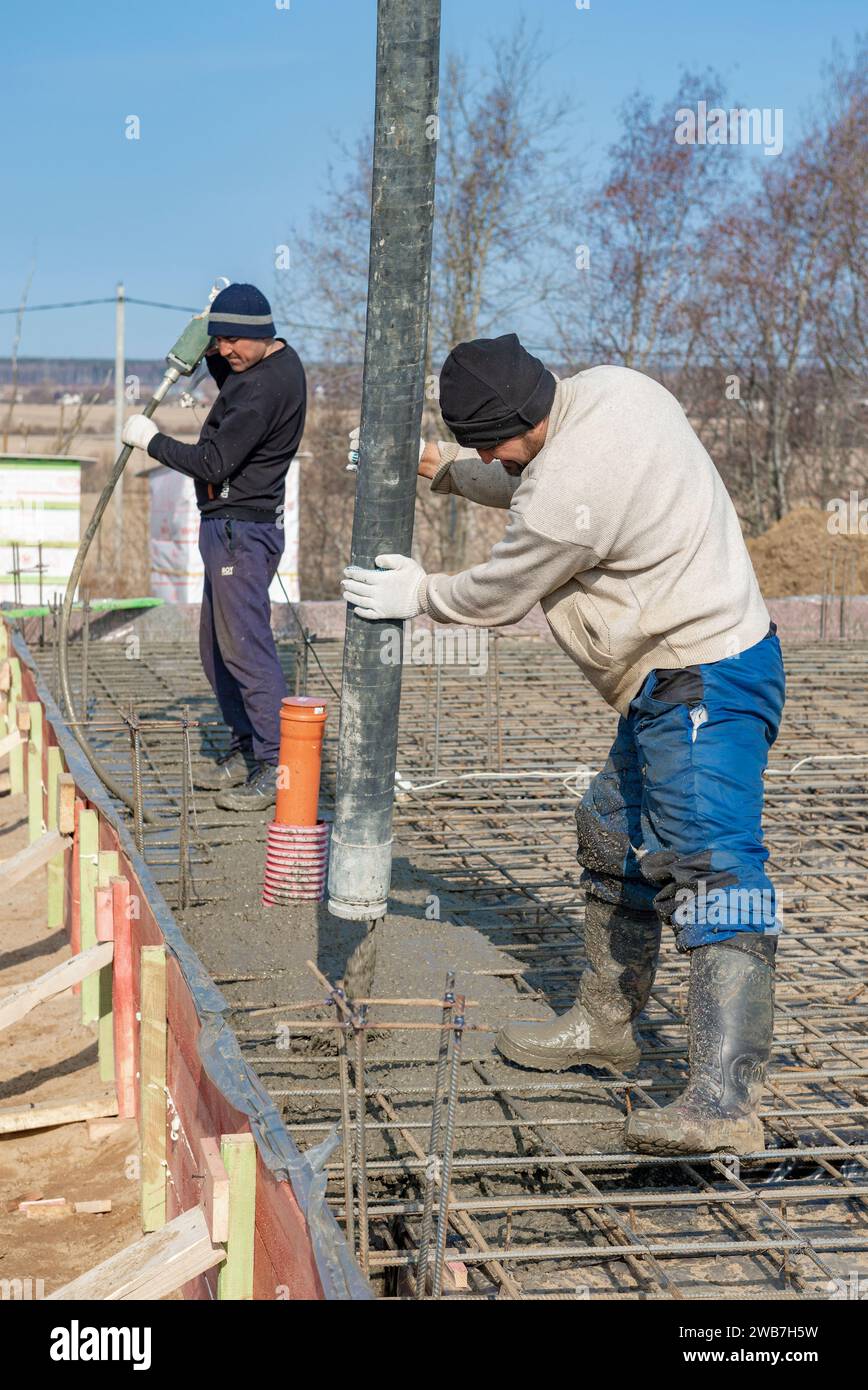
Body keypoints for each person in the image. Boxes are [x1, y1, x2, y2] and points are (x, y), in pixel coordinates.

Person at [341, 333, 785, 1157]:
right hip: (678, 670)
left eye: (488, 447)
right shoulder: (609, 390)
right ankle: (607, 1026)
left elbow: (506, 586)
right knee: (611, 833)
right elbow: (531, 479)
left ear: (518, 422)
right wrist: (443, 469)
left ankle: (726, 1102)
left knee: (716, 868)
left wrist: (423, 594)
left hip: (703, 678)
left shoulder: (568, 484)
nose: (490, 460)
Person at [123, 283, 306, 811]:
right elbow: (234, 376)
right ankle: (244, 748)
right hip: (230, 528)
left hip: (240, 534)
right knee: (218, 648)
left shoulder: (263, 391)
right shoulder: (269, 365)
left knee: (247, 650)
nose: (224, 351)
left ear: (258, 336)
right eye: (219, 339)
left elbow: (212, 464)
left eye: (231, 340)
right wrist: (205, 335)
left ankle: (275, 766)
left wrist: (150, 441)